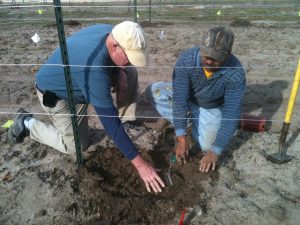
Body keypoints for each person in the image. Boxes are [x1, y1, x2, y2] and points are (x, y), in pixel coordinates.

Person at [8, 21, 165, 193]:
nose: (129, 61)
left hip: (79, 83)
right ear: (115, 46)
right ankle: (27, 123)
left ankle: (127, 120)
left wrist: (119, 71)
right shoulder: (94, 71)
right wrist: (141, 165)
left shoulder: (111, 32)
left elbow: (113, 61)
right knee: (77, 147)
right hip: (58, 95)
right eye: (128, 56)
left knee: (130, 72)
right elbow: (109, 122)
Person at [146, 26, 246, 172]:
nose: (209, 61)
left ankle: (196, 121)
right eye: (206, 56)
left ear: (228, 54)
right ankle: (184, 123)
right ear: (201, 48)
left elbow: (231, 113)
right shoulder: (187, 59)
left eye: (215, 58)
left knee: (207, 146)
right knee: (154, 91)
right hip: (188, 98)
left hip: (209, 106)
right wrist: (181, 136)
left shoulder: (235, 73)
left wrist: (215, 151)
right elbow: (179, 98)